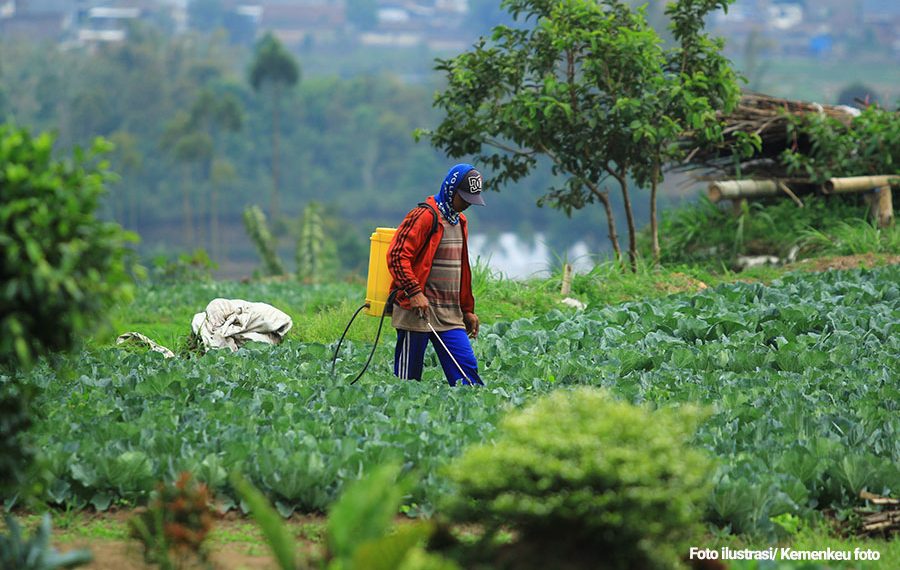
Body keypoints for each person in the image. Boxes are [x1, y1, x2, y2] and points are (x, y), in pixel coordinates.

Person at [386, 163, 486, 386]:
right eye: (464, 198)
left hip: (450, 315)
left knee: (468, 375)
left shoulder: (460, 221)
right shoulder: (424, 216)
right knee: (406, 383)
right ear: (451, 189)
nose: (467, 204)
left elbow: (460, 269)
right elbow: (397, 255)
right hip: (417, 314)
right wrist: (414, 291)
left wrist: (467, 310)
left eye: (471, 200)